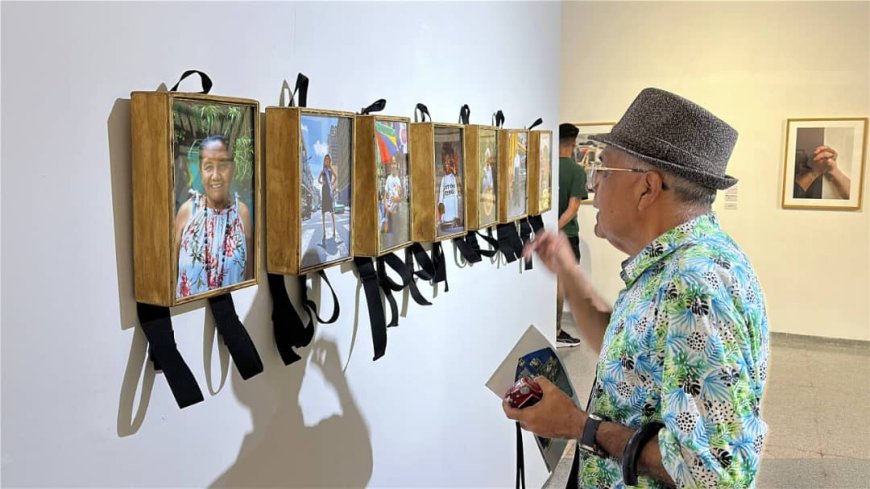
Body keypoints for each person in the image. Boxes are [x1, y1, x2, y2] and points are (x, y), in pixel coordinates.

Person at [505, 88, 770, 489]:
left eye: (603, 171)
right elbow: (634, 354)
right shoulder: (673, 264)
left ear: (646, 188)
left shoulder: (693, 284)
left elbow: (716, 475)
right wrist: (570, 273)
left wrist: (580, 426)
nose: (593, 186)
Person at [174, 135, 252, 299]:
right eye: (208, 167)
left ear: (233, 169)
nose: (216, 175)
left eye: (223, 166)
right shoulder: (186, 212)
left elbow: (249, 277)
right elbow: (170, 275)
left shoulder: (242, 214)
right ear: (201, 171)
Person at [555, 123, 587, 347]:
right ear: (573, 144)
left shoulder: (546, 167)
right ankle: (555, 331)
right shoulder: (576, 171)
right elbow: (573, 207)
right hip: (565, 234)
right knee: (559, 285)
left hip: (542, 234)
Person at [437, 142, 462, 232]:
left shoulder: (455, 178)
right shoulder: (443, 180)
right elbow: (440, 201)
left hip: (455, 220)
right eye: (445, 162)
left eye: (449, 162)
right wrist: (442, 216)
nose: (447, 164)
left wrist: (455, 174)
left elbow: (459, 194)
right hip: (446, 220)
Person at [318, 154, 339, 244]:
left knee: (332, 211)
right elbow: (318, 180)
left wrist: (332, 183)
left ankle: (334, 228)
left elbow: (336, 177)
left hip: (329, 192)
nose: (327, 161)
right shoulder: (323, 170)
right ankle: (324, 230)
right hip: (324, 191)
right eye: (325, 159)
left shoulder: (330, 170)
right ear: (324, 161)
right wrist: (321, 182)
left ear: (329, 161)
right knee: (323, 211)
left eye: (328, 159)